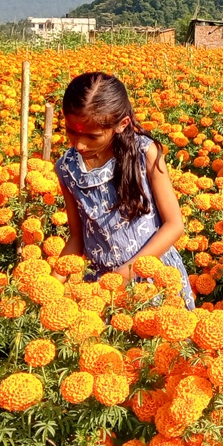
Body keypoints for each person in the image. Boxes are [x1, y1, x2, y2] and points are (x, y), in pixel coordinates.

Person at [54, 72, 193, 309]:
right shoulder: (67, 168)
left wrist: (127, 273)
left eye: (92, 136)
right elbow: (77, 237)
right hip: (104, 286)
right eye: (71, 131)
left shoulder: (144, 153)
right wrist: (53, 283)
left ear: (122, 124)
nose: (80, 144)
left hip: (154, 277)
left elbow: (174, 225)